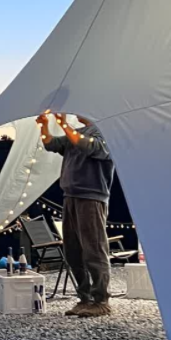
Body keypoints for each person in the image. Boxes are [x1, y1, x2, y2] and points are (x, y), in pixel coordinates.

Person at [36, 112, 113, 317]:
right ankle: (84, 298)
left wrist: (64, 125)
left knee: (94, 249)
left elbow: (89, 146)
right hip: (70, 196)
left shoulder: (105, 132)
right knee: (73, 251)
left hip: (91, 197)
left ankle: (101, 300)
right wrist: (44, 126)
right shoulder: (76, 133)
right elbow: (50, 144)